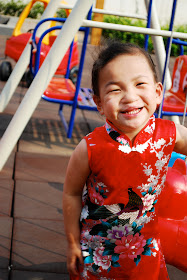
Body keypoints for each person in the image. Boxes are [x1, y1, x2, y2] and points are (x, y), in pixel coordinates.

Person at [62, 41, 187, 280]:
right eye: (114, 90)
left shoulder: (172, 134)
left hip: (145, 245)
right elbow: (70, 193)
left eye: (140, 84)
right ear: (99, 103)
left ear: (158, 92)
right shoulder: (90, 148)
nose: (130, 96)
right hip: (98, 249)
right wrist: (72, 243)